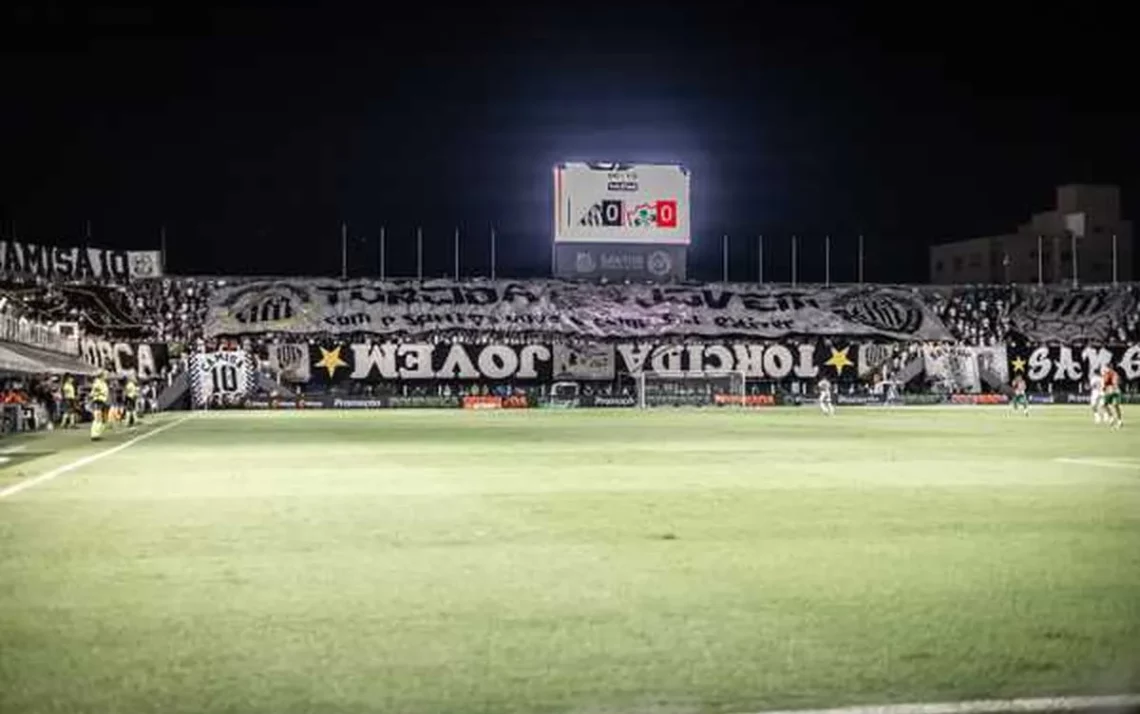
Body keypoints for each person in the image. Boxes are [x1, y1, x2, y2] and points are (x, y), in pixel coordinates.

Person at [89, 370, 111, 441]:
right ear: (101, 375)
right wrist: (98, 393)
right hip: (98, 401)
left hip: (103, 401)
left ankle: (97, 433)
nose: (106, 376)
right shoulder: (97, 382)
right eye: (105, 375)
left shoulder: (103, 383)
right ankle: (94, 434)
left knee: (102, 419)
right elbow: (94, 392)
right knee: (97, 418)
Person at [1101, 365, 1123, 429]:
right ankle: (1111, 417)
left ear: (1110, 368)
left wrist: (1113, 386)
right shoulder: (1105, 374)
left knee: (1115, 405)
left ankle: (1119, 420)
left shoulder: (1114, 374)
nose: (1106, 369)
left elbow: (1115, 383)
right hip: (1108, 392)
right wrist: (1104, 389)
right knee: (1104, 405)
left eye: (1107, 368)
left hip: (1115, 392)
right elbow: (1104, 384)